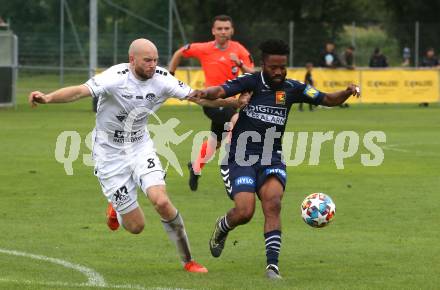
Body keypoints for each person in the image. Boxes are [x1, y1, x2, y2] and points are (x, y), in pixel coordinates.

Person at [28, 38, 208, 273]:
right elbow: (80, 91)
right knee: (136, 227)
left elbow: (198, 96)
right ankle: (115, 205)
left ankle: (188, 261)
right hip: (109, 154)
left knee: (162, 201)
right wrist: (48, 97)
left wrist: (234, 102)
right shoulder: (115, 77)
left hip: (140, 146)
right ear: (132, 59)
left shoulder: (162, 78)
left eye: (155, 60)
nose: (153, 65)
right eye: (147, 60)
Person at [189, 39, 360, 279]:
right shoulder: (250, 82)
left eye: (282, 66)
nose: (278, 71)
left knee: (273, 204)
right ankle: (223, 226)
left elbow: (327, 99)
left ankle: (272, 267)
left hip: (271, 157)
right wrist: (204, 92)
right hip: (241, 157)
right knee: (245, 212)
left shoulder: (293, 88)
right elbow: (220, 91)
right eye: (273, 67)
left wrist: (346, 92)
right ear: (263, 64)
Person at [168, 14, 255, 191]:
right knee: (237, 121)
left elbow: (252, 73)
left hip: (231, 101)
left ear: (232, 30)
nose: (223, 32)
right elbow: (179, 53)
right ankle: (230, 165)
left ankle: (196, 166)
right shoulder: (204, 48)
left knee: (216, 140)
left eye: (226, 28)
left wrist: (240, 64)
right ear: (213, 31)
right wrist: (170, 74)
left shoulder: (239, 50)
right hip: (214, 102)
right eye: (220, 28)